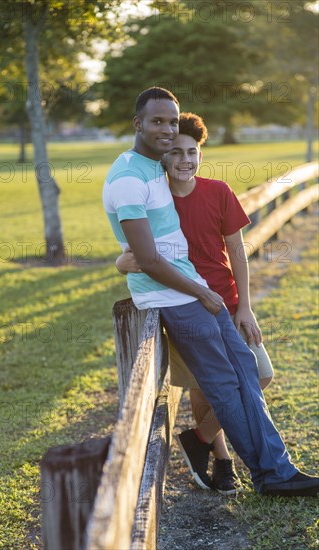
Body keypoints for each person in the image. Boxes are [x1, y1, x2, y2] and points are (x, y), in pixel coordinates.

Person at [102, 86, 319, 497]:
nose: (167, 131)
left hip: (202, 294)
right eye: (158, 122)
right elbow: (146, 259)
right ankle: (267, 474)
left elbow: (163, 243)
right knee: (224, 388)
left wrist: (218, 296)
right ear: (138, 123)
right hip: (178, 300)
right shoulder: (129, 177)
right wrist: (199, 292)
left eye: (171, 121)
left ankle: (277, 467)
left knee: (248, 378)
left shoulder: (151, 168)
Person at [115, 112, 274, 495]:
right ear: (164, 157)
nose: (185, 159)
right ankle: (222, 461)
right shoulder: (155, 199)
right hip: (186, 304)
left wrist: (245, 307)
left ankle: (199, 439)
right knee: (207, 388)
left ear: (200, 154)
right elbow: (136, 251)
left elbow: (238, 252)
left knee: (259, 374)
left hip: (228, 303)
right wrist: (121, 262)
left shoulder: (218, 191)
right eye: (176, 152)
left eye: (193, 151)